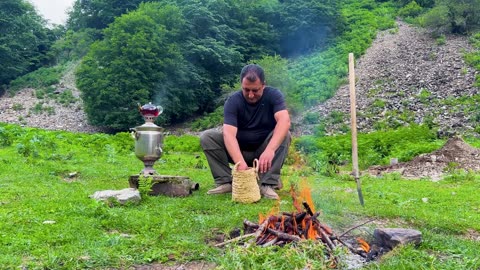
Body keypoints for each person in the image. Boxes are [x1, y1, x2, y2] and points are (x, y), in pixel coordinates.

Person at [200, 64, 291, 200]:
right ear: (241, 85)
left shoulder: (274, 95)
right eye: (246, 89)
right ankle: (226, 182)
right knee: (207, 137)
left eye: (255, 90)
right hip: (238, 151)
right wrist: (240, 163)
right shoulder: (233, 101)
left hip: (263, 152)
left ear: (263, 85)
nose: (250, 95)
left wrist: (270, 149)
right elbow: (229, 134)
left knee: (285, 135)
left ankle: (267, 184)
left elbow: (284, 121)